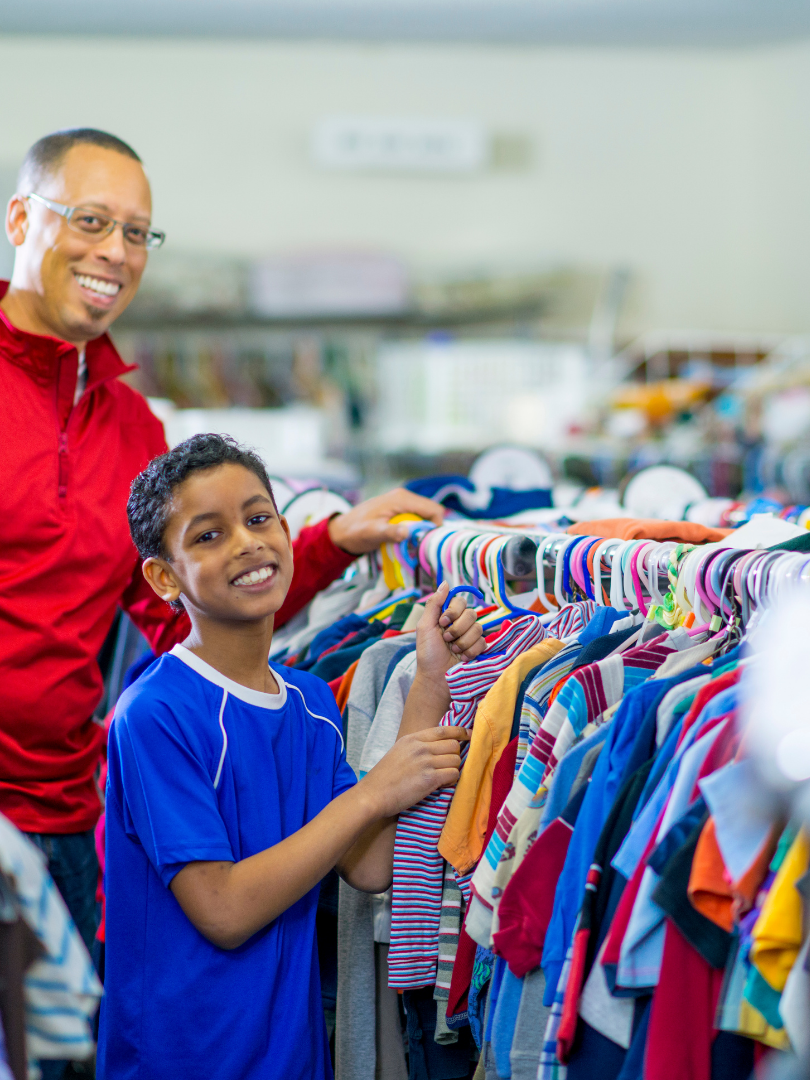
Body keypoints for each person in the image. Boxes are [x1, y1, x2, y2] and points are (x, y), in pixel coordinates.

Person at [0, 127, 445, 974]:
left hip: (63, 812)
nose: (116, 252)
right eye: (92, 220)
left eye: (137, 232)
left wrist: (335, 542)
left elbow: (179, 616)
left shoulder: (132, 427)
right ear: (23, 218)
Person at [97, 434, 482, 1079]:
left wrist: (429, 683)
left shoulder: (307, 700)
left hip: (290, 1053)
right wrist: (370, 793)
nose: (247, 544)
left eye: (257, 518)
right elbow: (222, 911)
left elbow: (370, 865)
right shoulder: (155, 712)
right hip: (180, 1056)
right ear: (164, 578)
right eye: (208, 535)